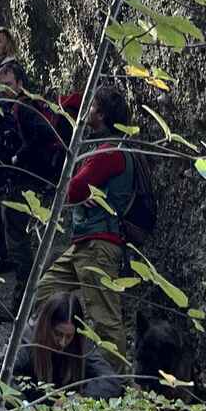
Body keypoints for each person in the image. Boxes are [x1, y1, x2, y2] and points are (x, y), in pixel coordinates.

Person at [34, 85, 136, 365]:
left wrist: (80, 191)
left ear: (101, 114)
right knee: (42, 292)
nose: (85, 110)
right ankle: (49, 360)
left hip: (99, 245)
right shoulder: (105, 145)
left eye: (91, 107)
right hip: (86, 243)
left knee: (105, 319)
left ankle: (116, 385)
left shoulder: (109, 151)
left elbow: (74, 189)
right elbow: (67, 104)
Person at [0, 293, 121, 411]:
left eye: (69, 336)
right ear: (47, 326)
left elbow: (110, 379)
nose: (62, 342)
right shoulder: (29, 339)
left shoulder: (81, 343)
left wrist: (79, 399)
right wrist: (26, 408)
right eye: (58, 334)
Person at [0, 57, 63, 320]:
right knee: (8, 239)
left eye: (8, 84)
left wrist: (18, 157)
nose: (3, 88)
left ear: (20, 83)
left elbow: (46, 135)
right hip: (19, 183)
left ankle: (21, 307)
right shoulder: (13, 108)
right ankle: (16, 303)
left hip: (25, 184)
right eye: (0, 84)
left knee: (18, 246)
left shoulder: (26, 109)